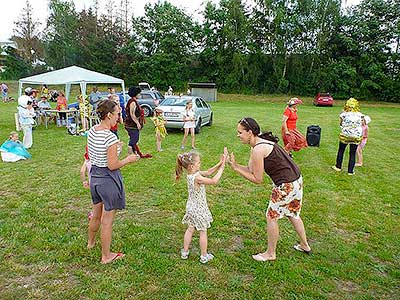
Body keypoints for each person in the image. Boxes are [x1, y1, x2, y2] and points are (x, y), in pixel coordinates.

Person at [226, 117, 311, 261]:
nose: (238, 135)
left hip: (286, 185)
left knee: (271, 216)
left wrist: (236, 169)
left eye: (240, 132)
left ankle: (271, 254)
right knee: (292, 213)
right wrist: (235, 166)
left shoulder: (258, 150)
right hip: (296, 181)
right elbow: (251, 169)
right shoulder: (259, 144)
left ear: (250, 132)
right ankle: (305, 245)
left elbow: (257, 179)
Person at [87, 99, 140, 264]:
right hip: (108, 180)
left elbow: (96, 153)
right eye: (117, 114)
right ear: (109, 115)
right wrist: (129, 159)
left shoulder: (92, 130)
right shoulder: (110, 137)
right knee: (107, 220)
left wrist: (116, 148)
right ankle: (106, 256)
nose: (119, 117)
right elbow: (113, 165)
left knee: (96, 214)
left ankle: (90, 243)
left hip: (94, 177)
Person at [176, 150, 226, 263]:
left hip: (191, 207)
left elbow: (208, 172)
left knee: (190, 229)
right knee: (203, 231)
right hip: (199, 209)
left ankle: (184, 252)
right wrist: (222, 168)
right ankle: (204, 256)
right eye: (198, 163)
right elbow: (213, 180)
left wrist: (219, 163)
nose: (200, 164)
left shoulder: (191, 174)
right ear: (192, 165)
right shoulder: (197, 178)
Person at [332, 98, 363, 175]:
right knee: (352, 153)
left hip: (345, 135)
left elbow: (341, 124)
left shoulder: (343, 114)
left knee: (341, 150)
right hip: (356, 136)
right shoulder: (360, 115)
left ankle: (338, 167)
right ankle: (350, 171)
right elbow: (361, 124)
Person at [124, 86, 152, 158]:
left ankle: (134, 153)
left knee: (134, 139)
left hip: (131, 124)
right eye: (139, 93)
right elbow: (132, 114)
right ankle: (129, 155)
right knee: (134, 139)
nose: (140, 95)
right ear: (135, 94)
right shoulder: (132, 102)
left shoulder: (133, 101)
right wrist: (137, 123)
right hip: (131, 124)